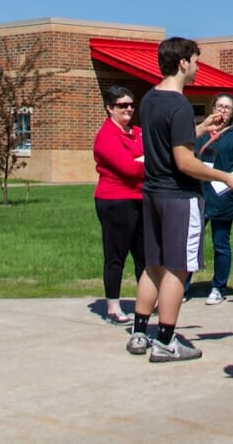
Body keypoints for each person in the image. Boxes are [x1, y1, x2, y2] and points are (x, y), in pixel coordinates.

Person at [126, 37, 233, 362]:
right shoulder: (179, 103)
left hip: (152, 194)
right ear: (182, 63)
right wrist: (226, 177)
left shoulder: (150, 99)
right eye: (195, 60)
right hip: (180, 197)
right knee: (178, 268)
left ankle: (140, 334)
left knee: (154, 265)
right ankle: (165, 341)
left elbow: (165, 143)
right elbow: (184, 161)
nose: (197, 67)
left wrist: (201, 128)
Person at [92, 84, 146, 325]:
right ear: (110, 108)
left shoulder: (136, 132)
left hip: (140, 200)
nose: (128, 109)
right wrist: (145, 161)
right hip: (115, 201)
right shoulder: (106, 137)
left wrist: (142, 160)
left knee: (144, 256)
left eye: (131, 104)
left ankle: (145, 301)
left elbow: (146, 159)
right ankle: (113, 306)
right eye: (122, 105)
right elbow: (129, 169)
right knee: (116, 255)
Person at [195, 94, 233, 305]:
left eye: (227, 108)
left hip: (223, 197)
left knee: (220, 243)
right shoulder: (200, 132)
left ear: (232, 112)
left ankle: (218, 286)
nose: (223, 111)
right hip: (199, 194)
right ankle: (182, 286)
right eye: (219, 106)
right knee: (191, 242)